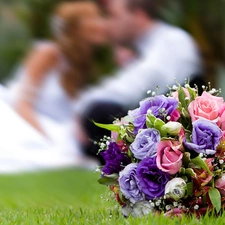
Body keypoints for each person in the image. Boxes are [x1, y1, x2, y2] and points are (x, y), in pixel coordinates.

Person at [75, 0, 205, 160]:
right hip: (164, 131)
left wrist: (81, 106)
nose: (108, 25)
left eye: (113, 16)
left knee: (99, 113)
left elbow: (135, 87)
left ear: (138, 14)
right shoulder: (149, 45)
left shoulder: (171, 40)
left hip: (178, 139)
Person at [0, 1, 107, 172]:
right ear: (76, 27)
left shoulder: (81, 65)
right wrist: (48, 141)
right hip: (21, 118)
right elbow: (22, 103)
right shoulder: (48, 53)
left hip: (60, 130)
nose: (102, 23)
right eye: (94, 18)